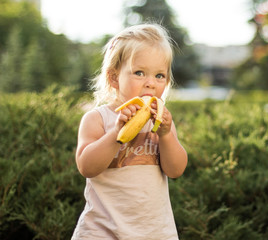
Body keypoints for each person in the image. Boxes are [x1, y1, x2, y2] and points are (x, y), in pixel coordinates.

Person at [71, 23, 188, 240]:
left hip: (154, 232)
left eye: (160, 76)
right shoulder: (98, 119)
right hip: (102, 232)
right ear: (114, 78)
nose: (151, 83)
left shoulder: (162, 123)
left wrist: (166, 135)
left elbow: (176, 170)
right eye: (139, 73)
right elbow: (86, 167)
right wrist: (117, 133)